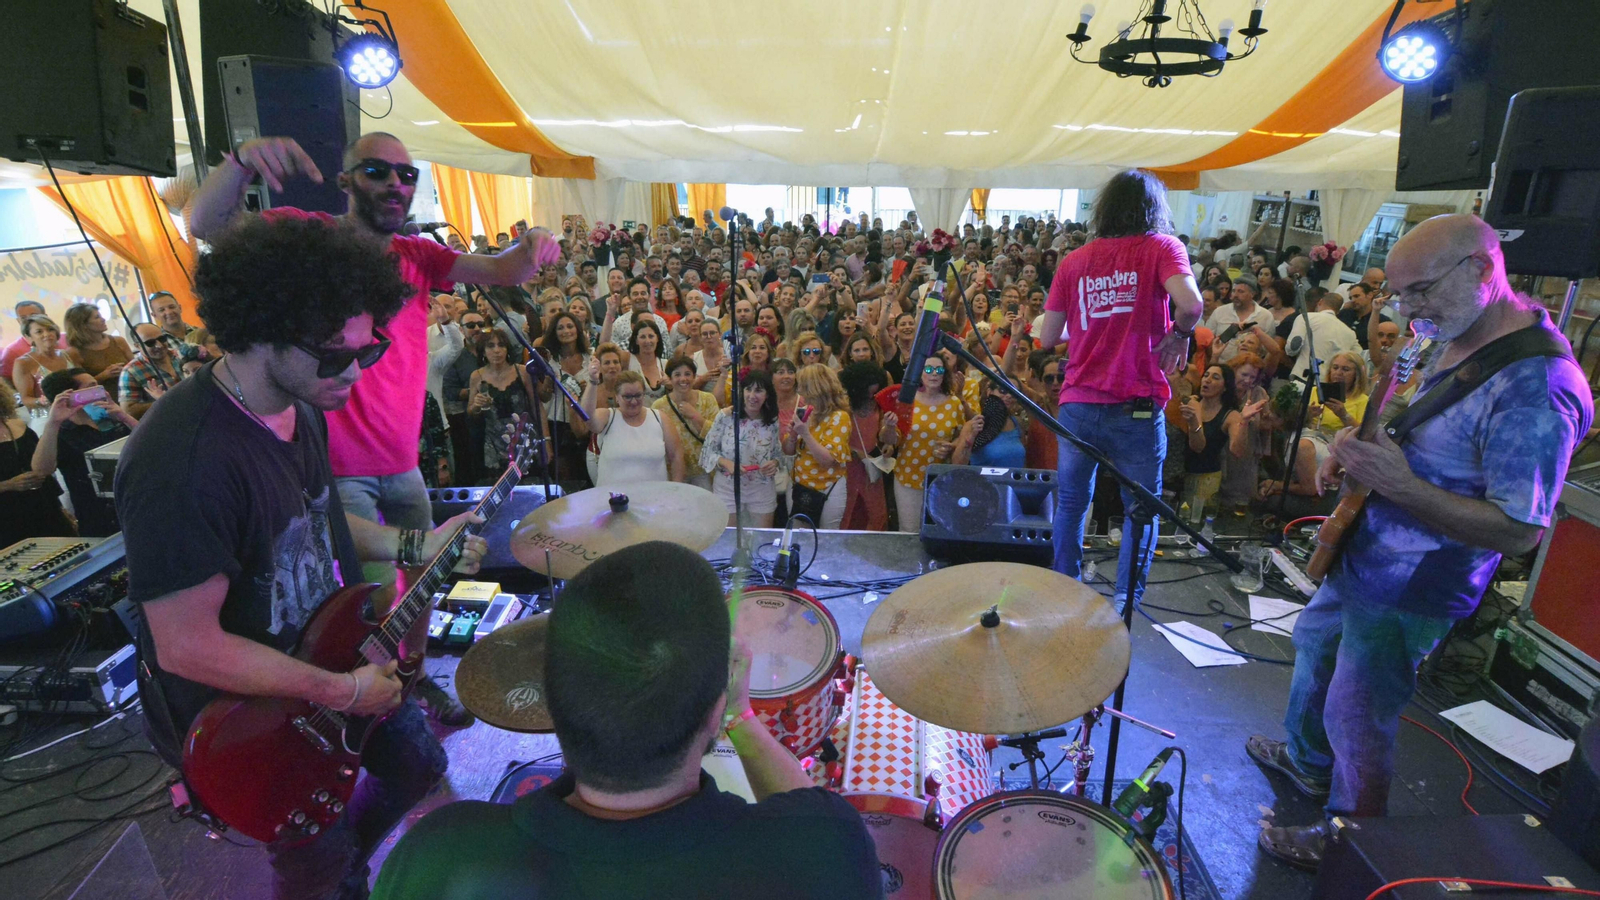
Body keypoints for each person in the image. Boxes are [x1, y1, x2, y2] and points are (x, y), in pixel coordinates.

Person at [113, 216, 488, 900]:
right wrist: (342, 693)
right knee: (313, 870)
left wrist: (415, 545)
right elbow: (186, 646)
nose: (355, 374)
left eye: (367, 351)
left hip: (331, 665)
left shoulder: (304, 404)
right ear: (259, 333)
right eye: (334, 356)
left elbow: (310, 520)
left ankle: (349, 866)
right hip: (257, 727)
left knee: (416, 763)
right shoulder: (183, 462)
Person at [1251, 214, 1593, 870]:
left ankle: (1351, 839)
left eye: (1421, 292)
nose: (1410, 310)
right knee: (1315, 643)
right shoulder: (1450, 325)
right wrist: (1353, 452)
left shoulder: (1537, 389)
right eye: (1399, 295)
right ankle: (1306, 761)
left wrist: (1400, 485)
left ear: (1482, 269)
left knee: (1359, 711)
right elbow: (1411, 414)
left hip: (1419, 582)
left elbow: (1521, 530)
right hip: (1366, 543)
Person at [370, 542, 880, 899]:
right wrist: (740, 716)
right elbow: (806, 808)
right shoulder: (823, 851)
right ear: (711, 713)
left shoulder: (436, 854)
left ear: (548, 703)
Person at [1037, 169, 1202, 611]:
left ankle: (1064, 590)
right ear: (1154, 208)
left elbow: (1048, 338)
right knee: (1140, 510)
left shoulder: (1074, 261)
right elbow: (1191, 305)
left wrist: (1096, 328)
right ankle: (1126, 602)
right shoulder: (1162, 247)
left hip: (1078, 404)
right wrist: (1179, 334)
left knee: (1072, 503)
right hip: (1136, 406)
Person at [879, 348, 971, 532]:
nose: (934, 374)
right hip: (908, 477)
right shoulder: (906, 401)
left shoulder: (954, 404)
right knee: (909, 530)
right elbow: (889, 439)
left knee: (938, 529)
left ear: (945, 374)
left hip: (941, 478)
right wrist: (889, 426)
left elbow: (960, 438)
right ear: (919, 372)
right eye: (928, 370)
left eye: (939, 370)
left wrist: (951, 446)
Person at [37, 369, 137, 537]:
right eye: (92, 387)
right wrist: (53, 423)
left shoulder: (108, 417)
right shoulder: (60, 433)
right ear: (69, 395)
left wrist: (124, 416)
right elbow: (41, 470)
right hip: (100, 516)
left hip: (134, 501)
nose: (100, 390)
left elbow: (148, 443)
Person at [700, 369, 784, 526]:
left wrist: (774, 464)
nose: (752, 396)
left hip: (762, 488)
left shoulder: (772, 420)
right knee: (729, 540)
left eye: (758, 391)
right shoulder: (726, 416)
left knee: (761, 540)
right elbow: (707, 453)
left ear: (767, 395)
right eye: (748, 389)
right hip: (728, 488)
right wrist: (727, 463)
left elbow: (777, 454)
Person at [0, 379, 75, 546]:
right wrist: (8, 485)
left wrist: (60, 509)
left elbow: (46, 470)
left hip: (44, 508)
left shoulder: (18, 426)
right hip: (6, 520)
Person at [1176, 364, 1250, 523]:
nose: (1207, 380)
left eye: (1215, 378)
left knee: (1194, 522)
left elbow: (1237, 451)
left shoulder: (1231, 415)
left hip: (1204, 479)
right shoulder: (1190, 402)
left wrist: (1244, 421)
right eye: (1206, 375)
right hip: (1175, 473)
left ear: (1225, 387)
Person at [585, 370, 685, 486]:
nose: (633, 401)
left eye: (638, 395)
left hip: (654, 499)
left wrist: (676, 489)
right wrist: (592, 382)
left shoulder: (659, 418)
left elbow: (676, 456)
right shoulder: (607, 417)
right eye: (627, 397)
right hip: (614, 500)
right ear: (617, 397)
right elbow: (588, 417)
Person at [467, 330, 538, 482]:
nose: (497, 350)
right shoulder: (476, 376)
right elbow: (471, 411)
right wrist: (477, 405)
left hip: (523, 439)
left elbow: (537, 407)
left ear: (508, 349)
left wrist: (546, 440)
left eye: (501, 345)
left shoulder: (522, 371)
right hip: (493, 442)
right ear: (483, 351)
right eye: (491, 346)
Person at [787, 364, 852, 529]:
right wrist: (793, 436)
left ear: (816, 388)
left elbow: (827, 460)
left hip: (828, 488)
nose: (800, 392)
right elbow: (788, 451)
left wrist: (805, 434)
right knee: (799, 540)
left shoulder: (839, 417)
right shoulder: (806, 411)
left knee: (826, 540)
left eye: (803, 387)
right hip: (800, 486)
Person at [535, 311, 592, 488]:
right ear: (554, 332)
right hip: (557, 425)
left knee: (587, 477)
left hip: (585, 425)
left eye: (570, 326)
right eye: (560, 328)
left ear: (578, 330)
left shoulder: (591, 359)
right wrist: (548, 384)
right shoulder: (549, 361)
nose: (566, 331)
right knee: (564, 480)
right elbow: (542, 398)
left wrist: (587, 390)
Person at [837, 362, 894, 531]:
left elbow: (886, 436)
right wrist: (855, 452)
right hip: (848, 468)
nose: (873, 391)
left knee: (877, 514)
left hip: (872, 467)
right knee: (847, 512)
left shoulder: (880, 405)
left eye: (876, 386)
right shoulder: (843, 407)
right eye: (869, 386)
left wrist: (888, 447)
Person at [654, 355, 720, 489]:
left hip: (704, 471)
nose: (683, 379)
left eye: (688, 374)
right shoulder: (659, 406)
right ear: (670, 378)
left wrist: (696, 417)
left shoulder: (708, 399)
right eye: (677, 374)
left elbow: (718, 435)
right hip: (674, 471)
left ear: (694, 377)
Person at [120, 323, 201, 419]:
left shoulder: (180, 354)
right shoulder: (131, 371)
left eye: (162, 339)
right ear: (137, 346)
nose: (159, 345)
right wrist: (164, 401)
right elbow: (128, 410)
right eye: (150, 343)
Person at [62, 303, 134, 395]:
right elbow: (80, 389)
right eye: (97, 317)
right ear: (83, 325)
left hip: (130, 393)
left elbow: (135, 367)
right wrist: (104, 375)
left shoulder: (119, 341)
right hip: (101, 399)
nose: (103, 319)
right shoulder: (74, 352)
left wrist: (124, 370)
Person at [1206, 279, 1275, 364]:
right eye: (1234, 291)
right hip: (1222, 366)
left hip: (1249, 368)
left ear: (1252, 294)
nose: (1235, 295)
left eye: (1241, 291)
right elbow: (1207, 340)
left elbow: (1269, 349)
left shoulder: (1266, 316)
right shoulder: (1219, 311)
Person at [12, 315, 69, 411]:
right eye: (39, 332)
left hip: (77, 411)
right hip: (46, 416)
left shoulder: (67, 355)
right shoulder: (23, 363)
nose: (46, 334)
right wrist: (43, 401)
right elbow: (25, 399)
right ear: (29, 337)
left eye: (50, 329)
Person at [1, 300, 49, 383]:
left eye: (34, 316)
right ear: (18, 321)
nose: (29, 320)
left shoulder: (64, 339)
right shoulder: (12, 351)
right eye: (23, 318)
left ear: (45, 316)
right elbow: (8, 387)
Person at [624, 319, 670, 402]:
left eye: (651, 336)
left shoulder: (666, 364)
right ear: (636, 340)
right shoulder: (627, 359)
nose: (647, 341)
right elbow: (604, 347)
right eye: (642, 337)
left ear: (657, 338)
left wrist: (671, 386)